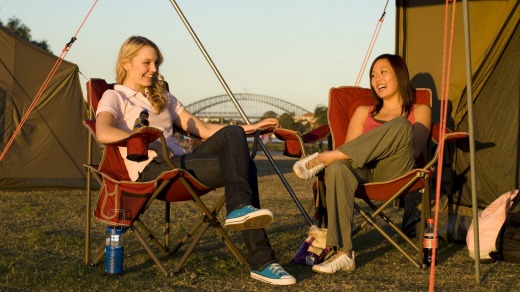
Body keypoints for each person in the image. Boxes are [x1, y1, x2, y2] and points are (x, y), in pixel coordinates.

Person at [95, 36, 296, 285]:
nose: (154, 69)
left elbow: (201, 128)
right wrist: (142, 137)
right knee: (248, 166)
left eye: (156, 63)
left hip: (180, 164)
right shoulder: (115, 97)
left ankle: (241, 214)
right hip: (155, 171)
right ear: (126, 63)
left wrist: (252, 127)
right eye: (147, 62)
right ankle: (262, 260)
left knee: (232, 133)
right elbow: (103, 132)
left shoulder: (163, 97)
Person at [292, 54, 431, 274]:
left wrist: (336, 154)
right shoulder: (363, 112)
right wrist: (340, 157)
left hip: (398, 172)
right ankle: (344, 252)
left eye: (383, 72)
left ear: (399, 75)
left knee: (402, 125)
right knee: (337, 166)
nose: (377, 79)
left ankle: (324, 157)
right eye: (373, 75)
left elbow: (414, 150)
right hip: (365, 171)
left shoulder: (418, 110)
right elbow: (347, 157)